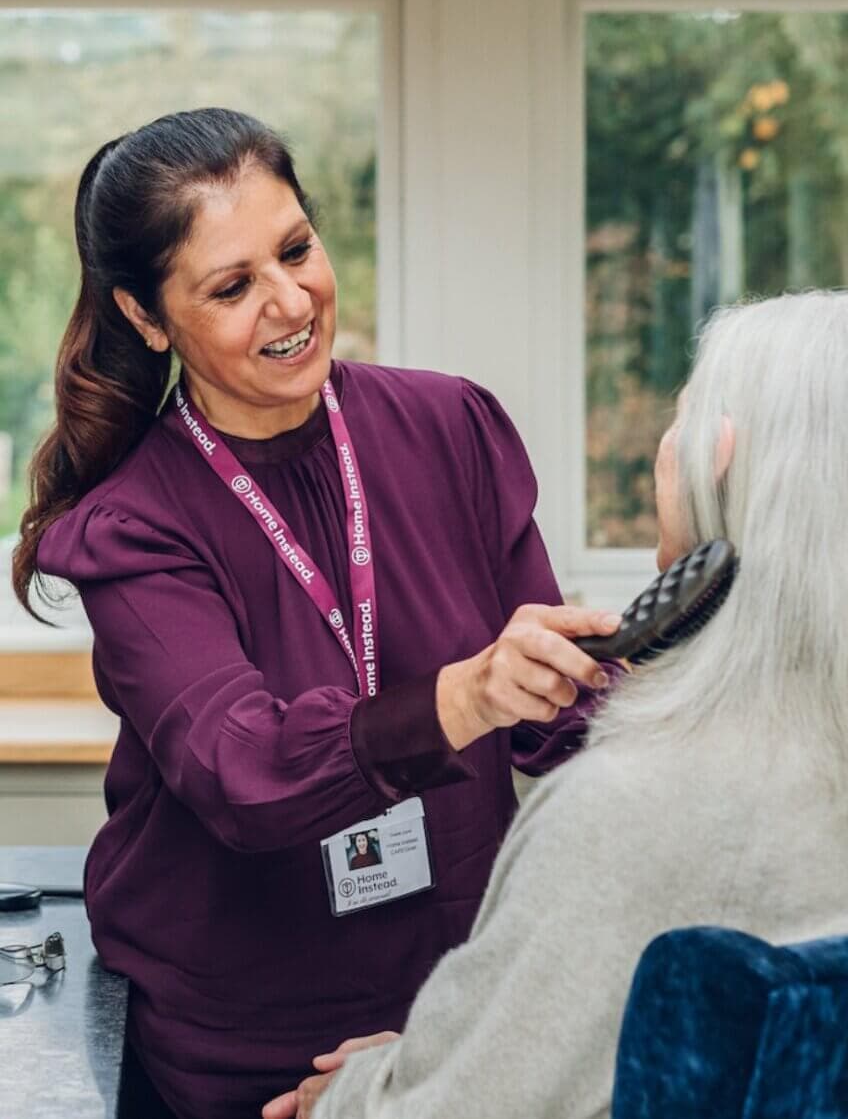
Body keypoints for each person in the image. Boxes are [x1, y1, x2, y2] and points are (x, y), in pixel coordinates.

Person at [13, 108, 620, 1119]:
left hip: (448, 1023)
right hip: (240, 1054)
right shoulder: (132, 524)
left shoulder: (450, 426)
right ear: (148, 315)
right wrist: (464, 694)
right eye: (231, 285)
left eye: (296, 249)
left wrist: (646, 674)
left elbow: (556, 718)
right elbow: (243, 772)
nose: (290, 299)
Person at [265, 291, 848, 1119]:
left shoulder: (631, 813)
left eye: (677, 418)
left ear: (712, 459)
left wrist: (361, 1091)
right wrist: (435, 1056)